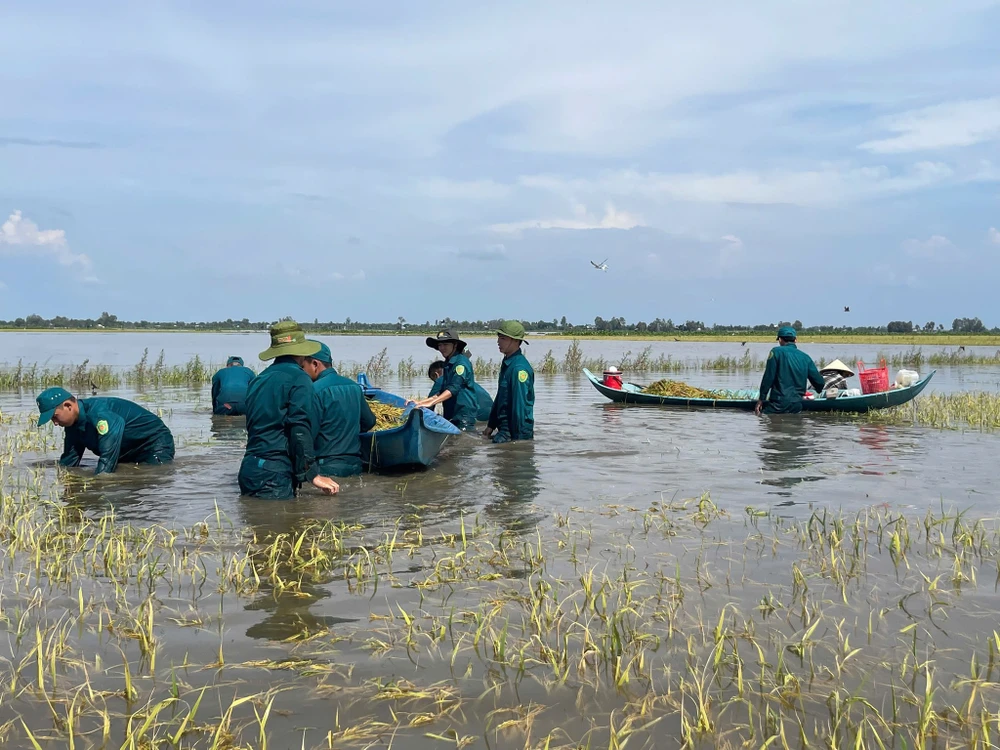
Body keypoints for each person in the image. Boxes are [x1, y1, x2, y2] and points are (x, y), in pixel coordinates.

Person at [238, 321, 339, 499]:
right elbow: (299, 428)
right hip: (274, 472)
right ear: (301, 350)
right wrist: (312, 473)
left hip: (249, 468)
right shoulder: (299, 378)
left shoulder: (259, 379)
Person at [36, 386, 175, 475]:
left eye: (55, 417)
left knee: (153, 476)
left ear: (68, 406)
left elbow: (107, 462)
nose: (55, 423)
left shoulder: (99, 414)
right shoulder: (73, 426)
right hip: (127, 451)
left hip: (154, 444)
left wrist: (99, 483)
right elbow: (69, 462)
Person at [301, 341, 377, 477]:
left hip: (325, 466)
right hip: (354, 464)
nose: (302, 372)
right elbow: (369, 422)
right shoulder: (354, 387)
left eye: (302, 366)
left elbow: (308, 433)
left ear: (315, 364)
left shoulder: (314, 391)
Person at [411, 330, 479, 431]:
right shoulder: (448, 363)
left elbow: (453, 389)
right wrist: (420, 402)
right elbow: (442, 392)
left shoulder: (460, 364)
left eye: (445, 344)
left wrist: (432, 403)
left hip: (463, 416)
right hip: (451, 414)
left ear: (455, 345)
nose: (442, 348)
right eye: (440, 345)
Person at [755, 326, 825, 415]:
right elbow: (819, 382)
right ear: (795, 340)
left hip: (778, 403)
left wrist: (761, 398)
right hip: (797, 405)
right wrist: (819, 390)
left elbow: (768, 377)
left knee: (766, 422)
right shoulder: (805, 357)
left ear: (780, 340)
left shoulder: (776, 352)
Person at [484, 320, 534, 443]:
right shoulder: (507, 363)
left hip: (514, 431)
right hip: (504, 428)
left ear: (516, 341)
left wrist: (518, 443)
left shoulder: (518, 369)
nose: (498, 342)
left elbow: (519, 407)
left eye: (503, 338)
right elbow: (500, 396)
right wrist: (491, 425)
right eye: (498, 338)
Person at [428, 360, 493, 422]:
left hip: (474, 415)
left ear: (436, 375)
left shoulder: (442, 379)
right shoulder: (462, 379)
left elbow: (429, 404)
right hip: (491, 413)